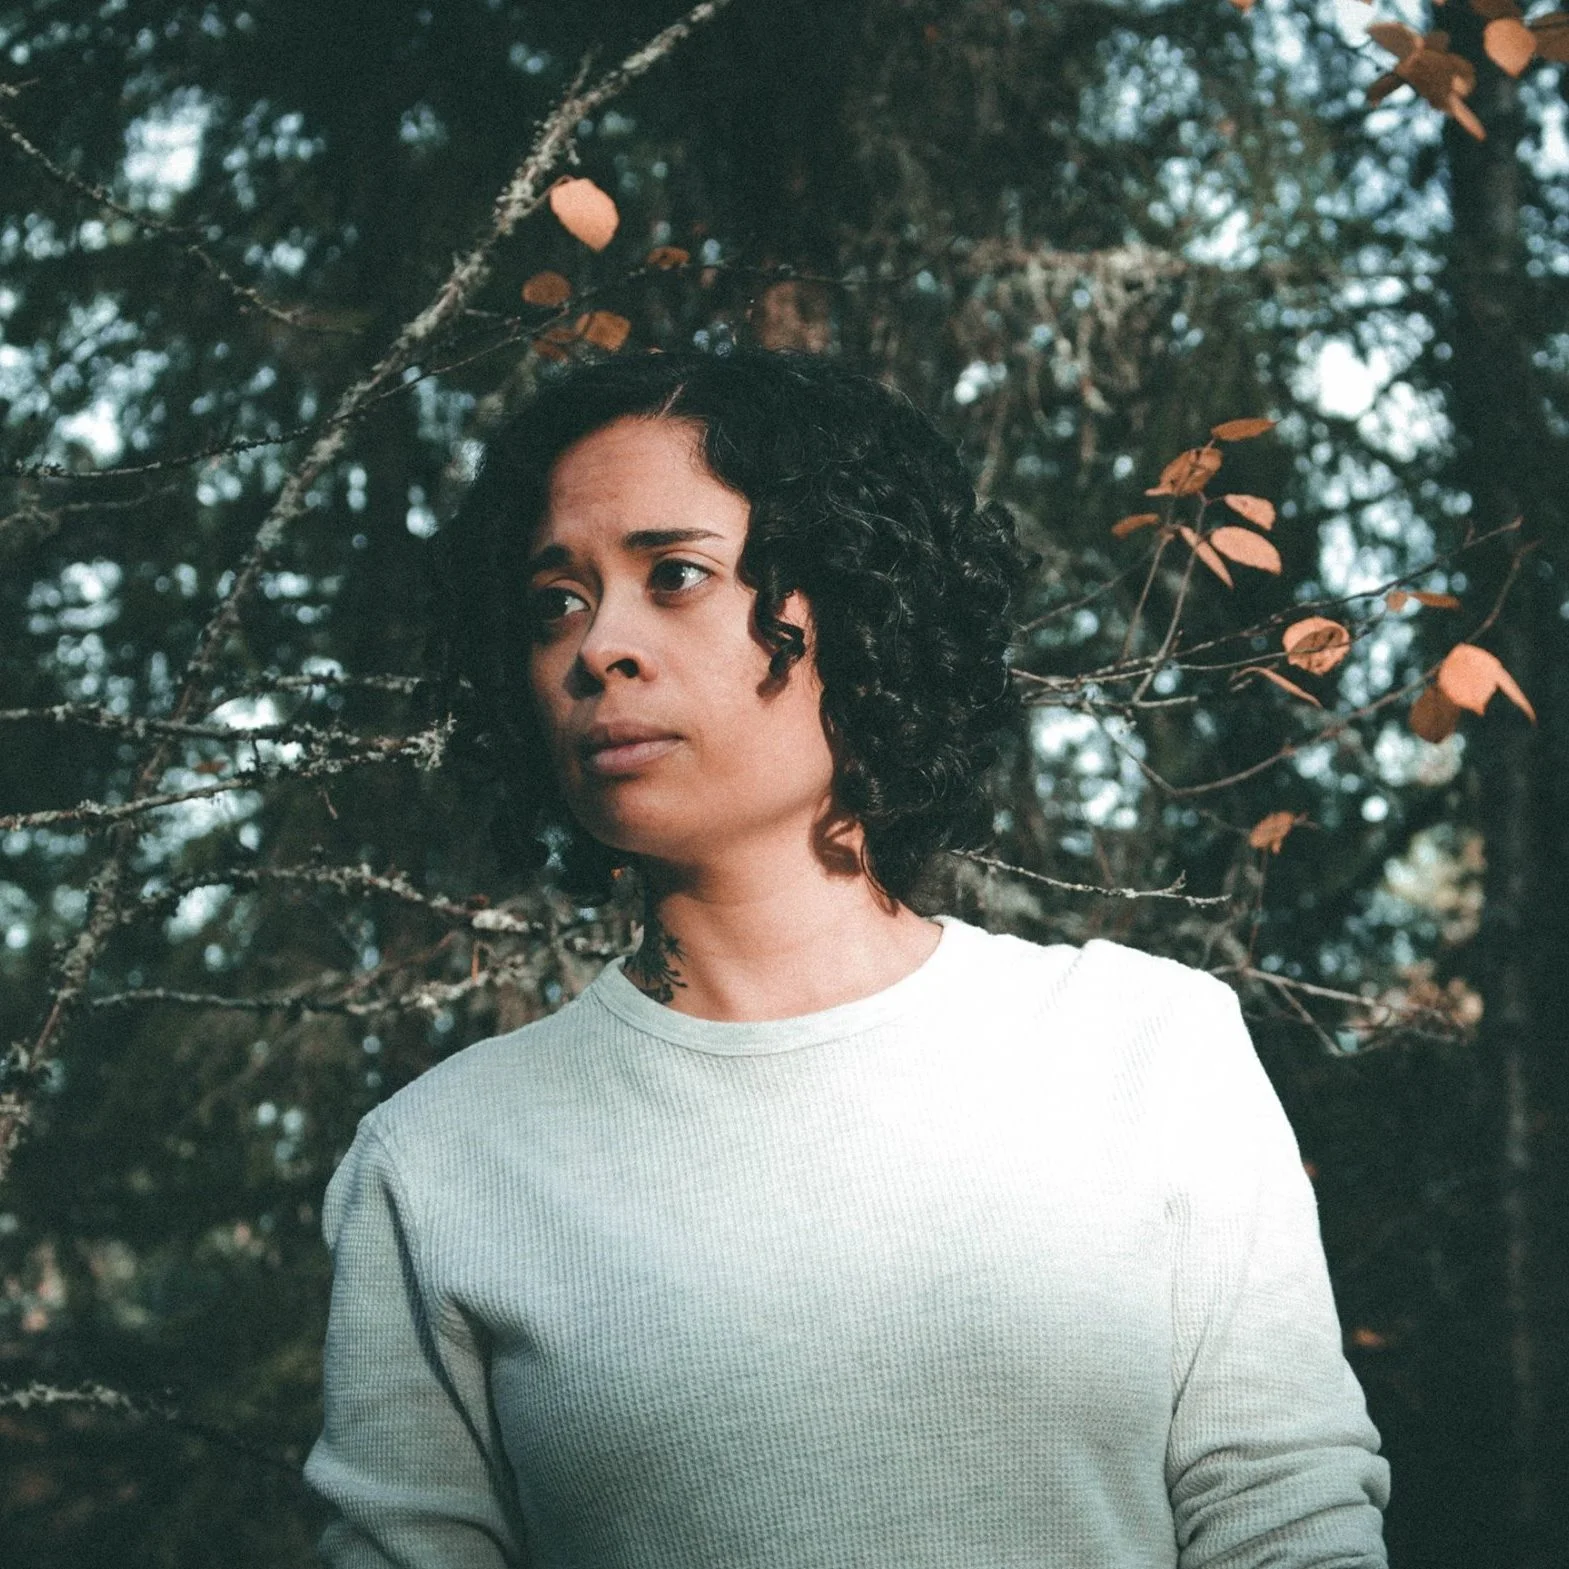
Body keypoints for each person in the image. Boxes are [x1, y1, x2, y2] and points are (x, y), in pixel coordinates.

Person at [302, 347, 1390, 1568]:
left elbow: (1287, 1521)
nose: (597, 646)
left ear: (859, 605)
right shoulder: (440, 1163)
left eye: (674, 575)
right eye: (557, 599)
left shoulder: (1146, 1046)